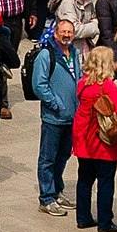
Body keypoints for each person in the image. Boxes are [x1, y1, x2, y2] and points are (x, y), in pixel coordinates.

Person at [31, 17, 87, 215]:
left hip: (72, 117)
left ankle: (56, 190)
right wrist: (56, 104)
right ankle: (46, 198)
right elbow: (39, 85)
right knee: (48, 158)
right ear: (55, 33)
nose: (66, 35)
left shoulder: (75, 52)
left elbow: (79, 80)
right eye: (63, 32)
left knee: (63, 155)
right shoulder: (46, 55)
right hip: (53, 118)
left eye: (70, 32)